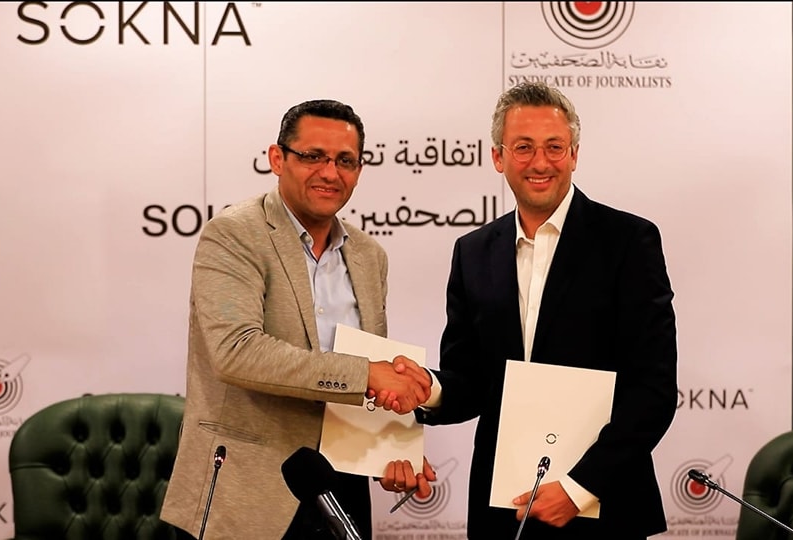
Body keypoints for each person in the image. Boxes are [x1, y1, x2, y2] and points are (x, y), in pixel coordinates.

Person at [388, 81, 678, 539]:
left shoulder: (629, 242)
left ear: (574, 154)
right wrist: (428, 387)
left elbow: (653, 389)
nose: (540, 162)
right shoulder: (473, 252)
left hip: (603, 507)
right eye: (523, 147)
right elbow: (471, 380)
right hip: (503, 510)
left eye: (554, 147)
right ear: (498, 157)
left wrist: (580, 488)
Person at [160, 99, 432, 539]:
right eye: (313, 156)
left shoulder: (369, 256)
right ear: (277, 158)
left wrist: (392, 446)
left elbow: (365, 369)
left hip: (340, 489)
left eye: (345, 160)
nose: (330, 172)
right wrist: (367, 374)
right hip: (246, 490)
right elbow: (237, 352)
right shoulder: (233, 235)